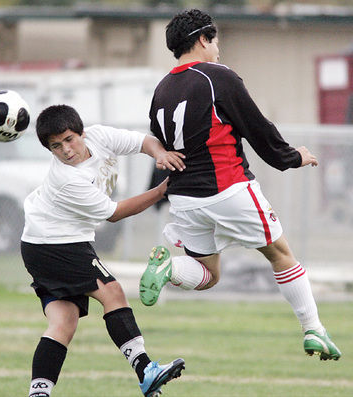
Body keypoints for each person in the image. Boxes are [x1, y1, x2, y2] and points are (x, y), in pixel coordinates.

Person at [139, 8, 341, 361]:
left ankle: (170, 267)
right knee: (280, 254)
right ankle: (314, 329)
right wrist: (294, 157)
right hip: (228, 188)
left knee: (208, 274)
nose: (218, 48)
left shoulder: (162, 89)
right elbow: (257, 128)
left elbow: (163, 145)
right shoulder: (217, 76)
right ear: (203, 39)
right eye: (215, 40)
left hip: (184, 198)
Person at [20, 104, 186, 397]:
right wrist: (162, 190)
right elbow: (115, 213)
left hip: (45, 243)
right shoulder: (67, 179)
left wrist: (160, 154)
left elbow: (141, 142)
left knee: (63, 322)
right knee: (112, 292)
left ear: (82, 132)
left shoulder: (99, 137)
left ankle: (38, 393)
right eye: (56, 146)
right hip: (54, 243)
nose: (66, 150)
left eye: (69, 139)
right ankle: (145, 370)